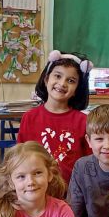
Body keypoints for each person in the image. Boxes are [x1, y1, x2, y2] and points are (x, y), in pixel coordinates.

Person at [17, 49, 92, 185]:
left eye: (71, 80)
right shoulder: (29, 118)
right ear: (46, 80)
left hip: (72, 191)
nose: (62, 83)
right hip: (37, 190)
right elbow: (20, 158)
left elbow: (90, 163)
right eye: (57, 76)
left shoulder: (83, 121)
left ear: (77, 89)